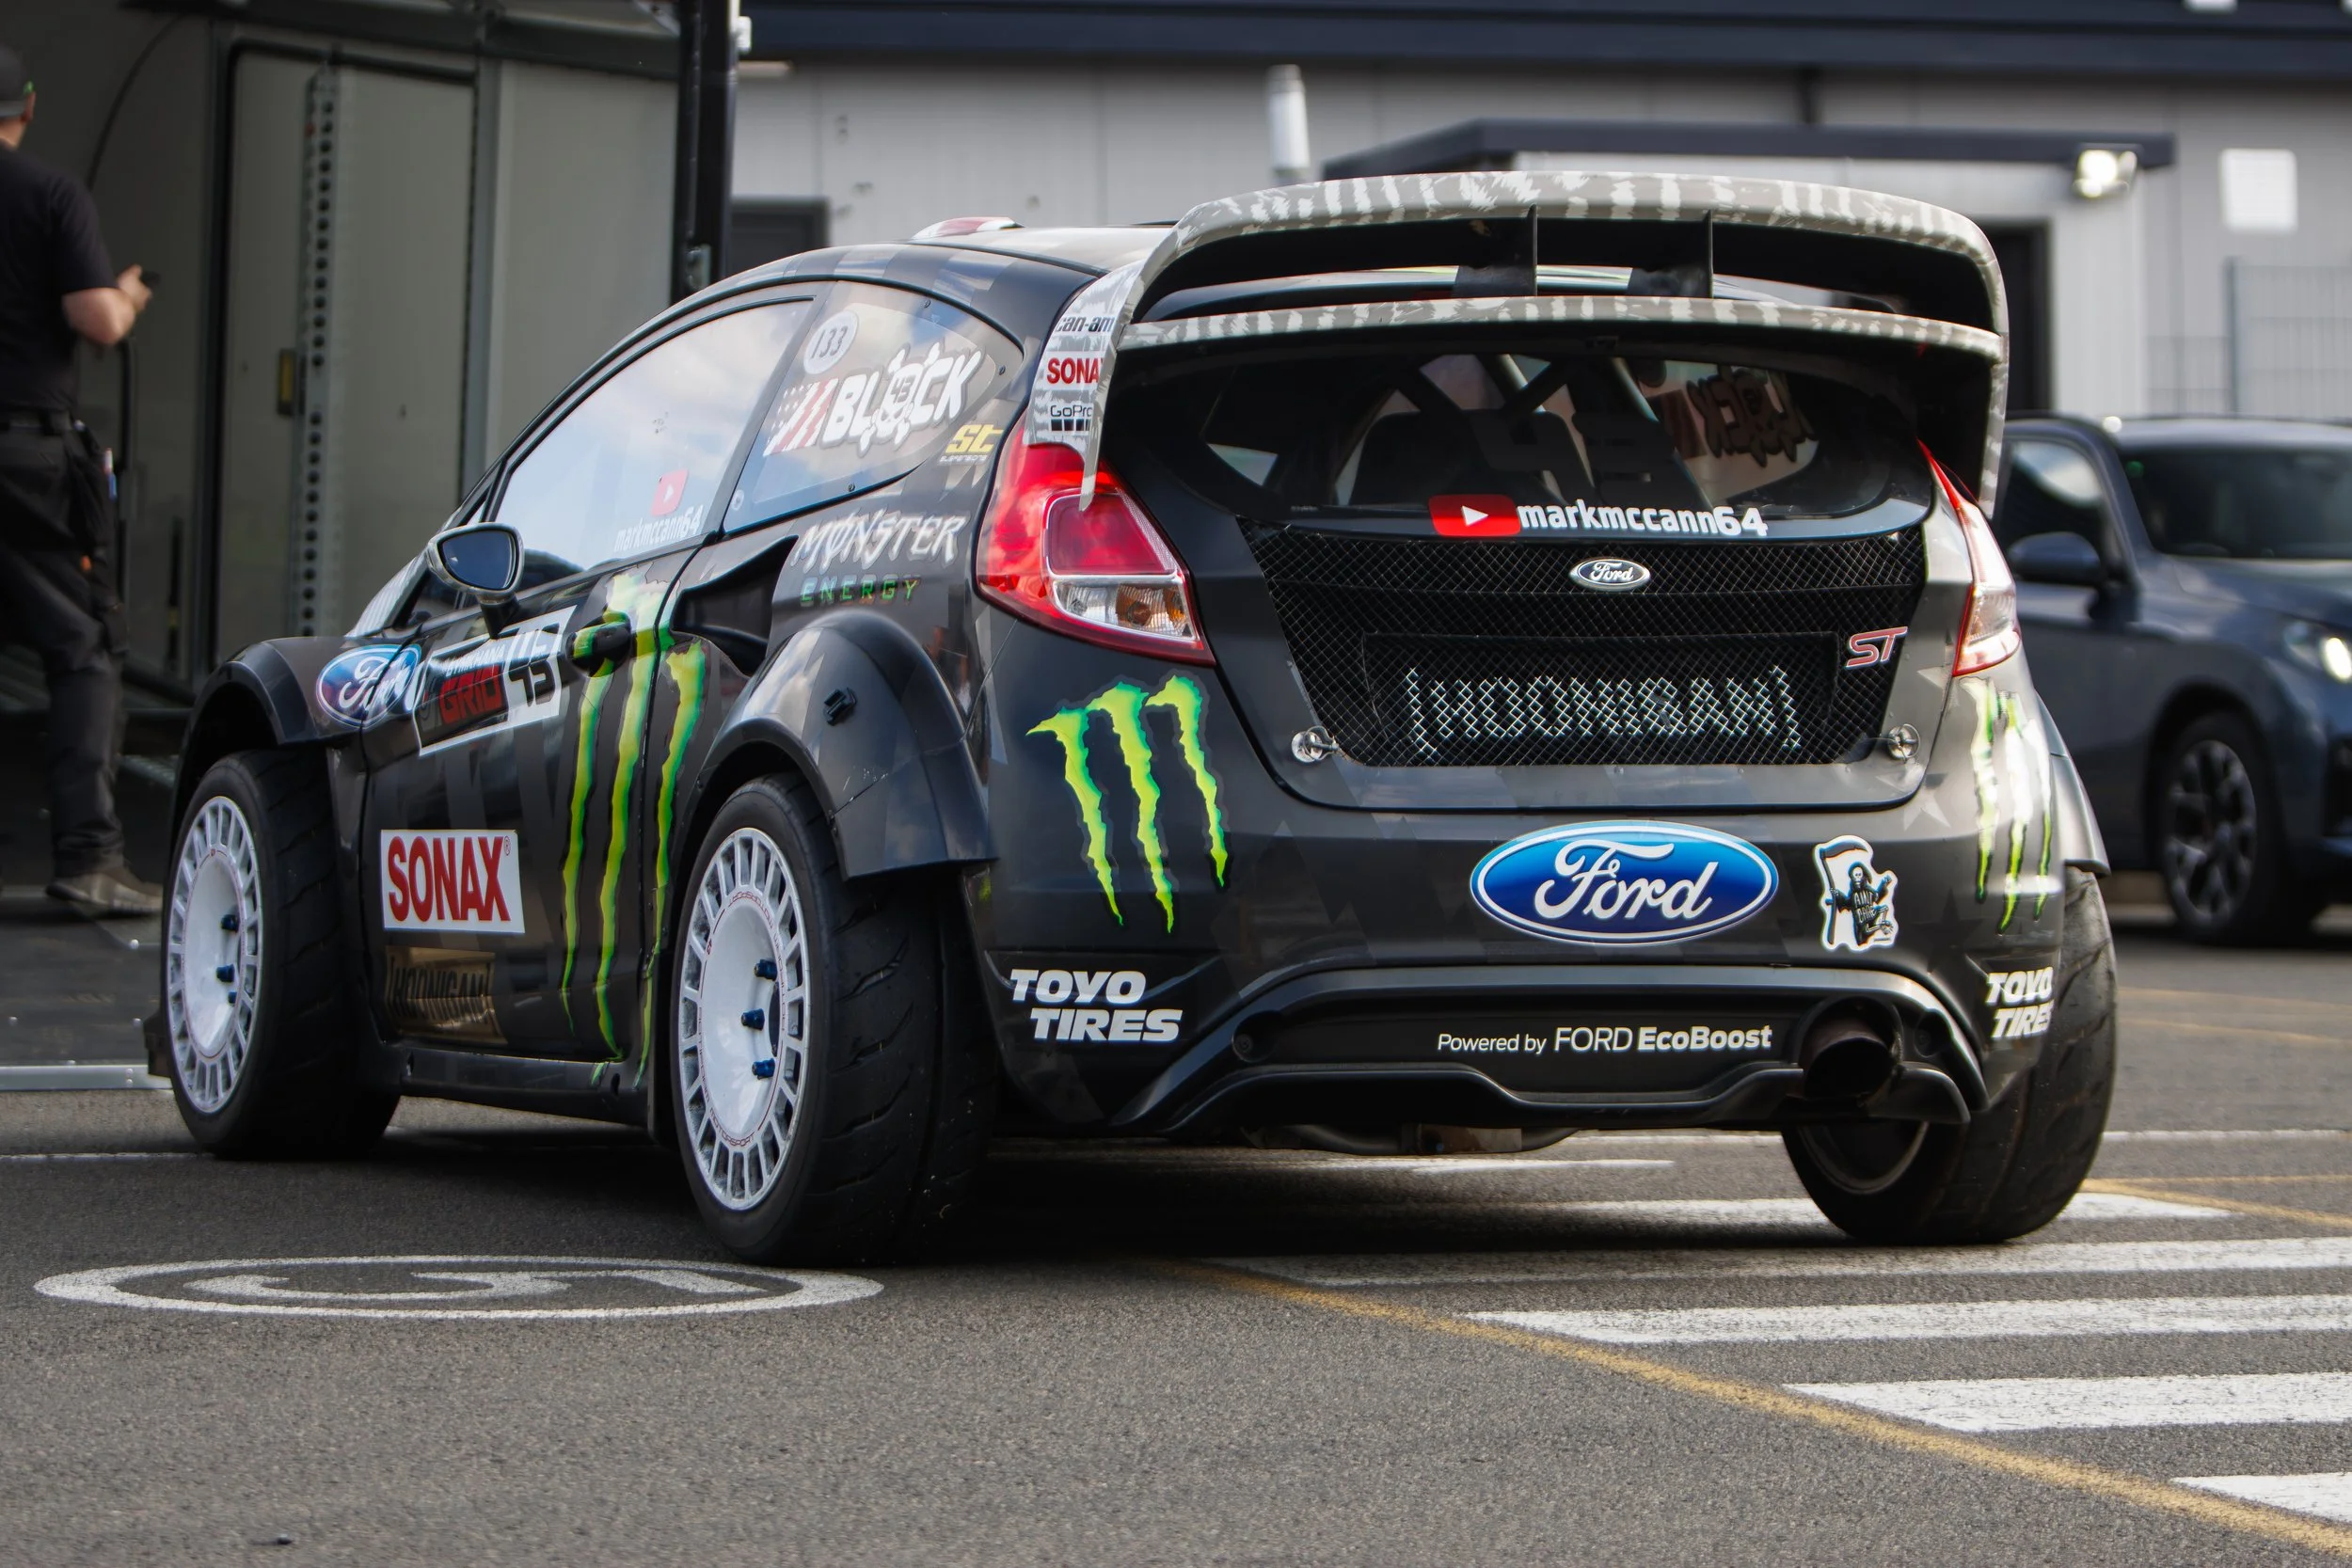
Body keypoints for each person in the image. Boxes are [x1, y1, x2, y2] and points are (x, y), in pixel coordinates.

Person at [0, 44, 158, 915]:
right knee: (82, 647)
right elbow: (96, 319)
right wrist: (128, 294)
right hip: (27, 459)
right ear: (23, 107)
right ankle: (90, 856)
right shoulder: (50, 195)